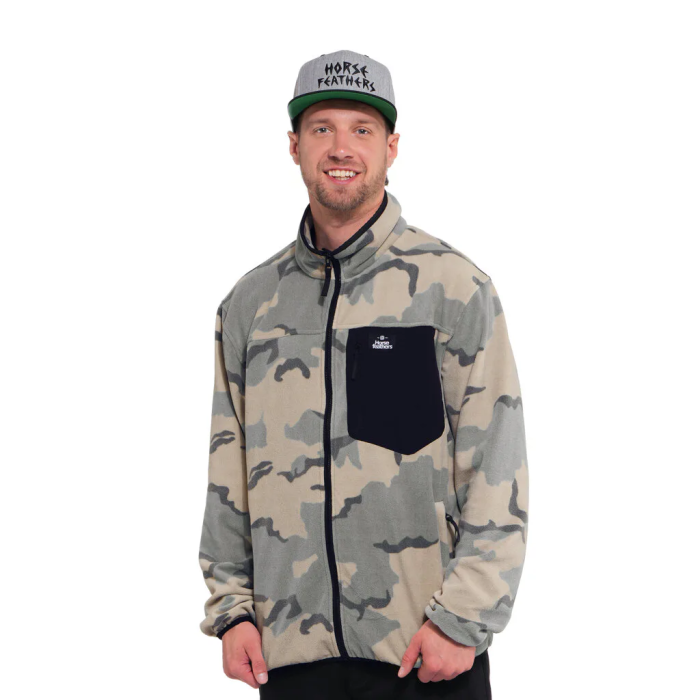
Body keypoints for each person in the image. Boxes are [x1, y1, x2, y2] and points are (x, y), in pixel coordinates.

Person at [198, 49, 529, 699]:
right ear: (294, 146)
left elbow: (498, 468)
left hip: (425, 653)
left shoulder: (454, 289)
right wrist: (232, 610)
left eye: (362, 129)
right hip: (289, 657)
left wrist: (463, 620)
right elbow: (227, 466)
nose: (341, 147)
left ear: (391, 147)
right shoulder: (250, 304)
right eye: (321, 128)